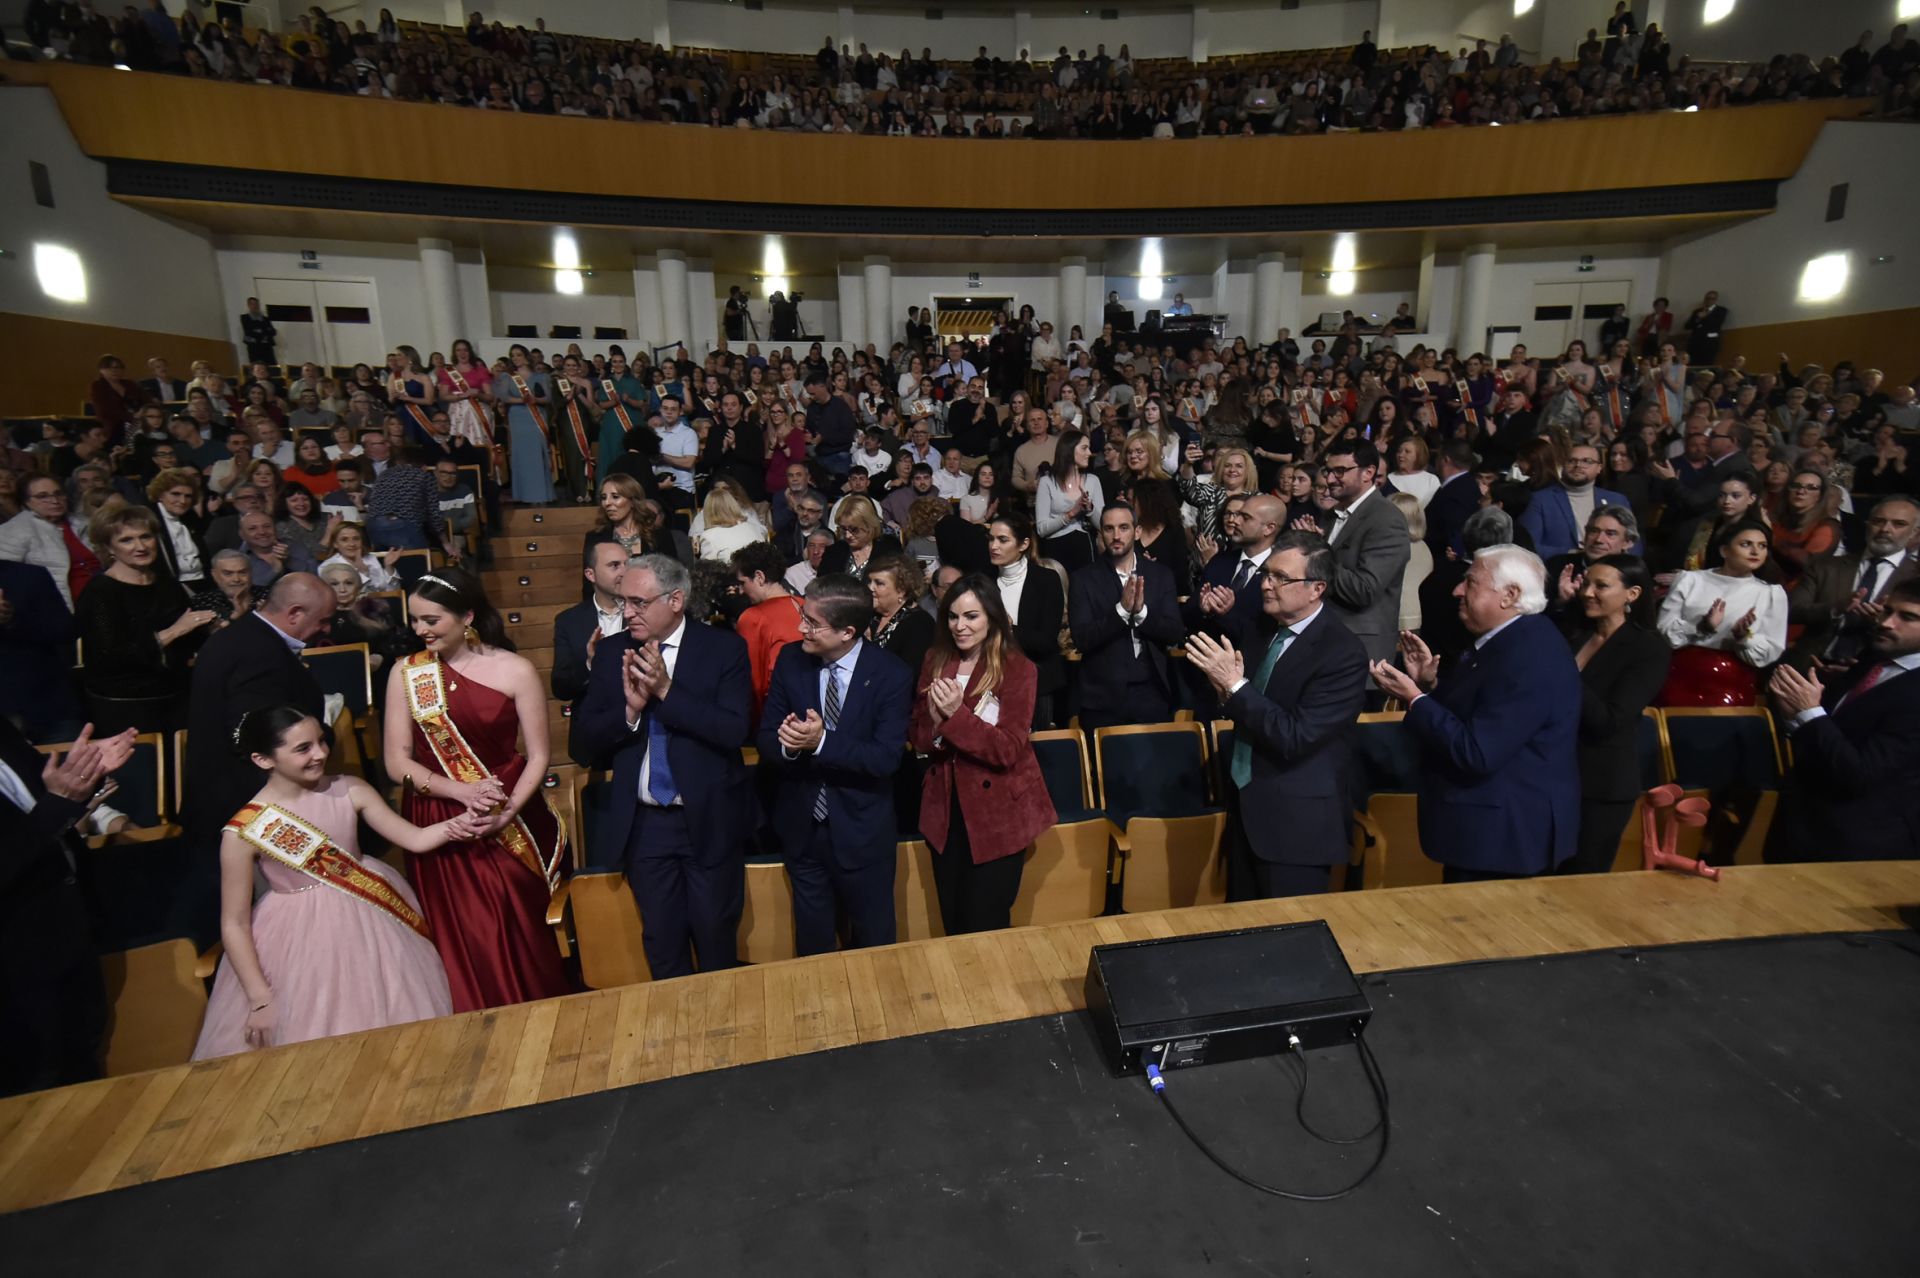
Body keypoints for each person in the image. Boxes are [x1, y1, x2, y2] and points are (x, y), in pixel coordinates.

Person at [192, 707, 470, 1059]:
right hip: (295, 944)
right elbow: (233, 923)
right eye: (303, 748)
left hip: (375, 926)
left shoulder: (350, 789)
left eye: (321, 741)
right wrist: (260, 999)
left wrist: (467, 819)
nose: (320, 753)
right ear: (263, 760)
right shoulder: (243, 831)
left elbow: (414, 839)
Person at [383, 568, 571, 1012]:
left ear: (467, 616)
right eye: (415, 621)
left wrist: (505, 814)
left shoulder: (515, 669)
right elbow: (396, 762)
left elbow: (539, 757)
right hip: (439, 819)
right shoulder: (406, 674)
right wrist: (459, 793)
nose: (421, 630)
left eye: (432, 620)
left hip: (511, 815)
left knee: (515, 921)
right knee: (463, 931)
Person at [570, 553, 755, 979]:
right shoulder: (614, 652)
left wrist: (667, 692)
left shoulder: (723, 648)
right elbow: (582, 743)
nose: (627, 612)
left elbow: (732, 731)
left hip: (708, 820)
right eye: (623, 603)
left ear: (675, 600)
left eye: (638, 602)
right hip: (646, 826)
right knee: (663, 943)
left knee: (715, 941)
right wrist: (630, 714)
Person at [1369, 545, 1581, 881]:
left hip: (1503, 842)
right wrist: (1428, 686)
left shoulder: (1529, 655)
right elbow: (1477, 715)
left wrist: (1414, 699)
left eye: (1470, 582)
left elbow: (1478, 752)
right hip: (1487, 834)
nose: (1456, 590)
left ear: (1509, 595)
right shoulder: (1507, 641)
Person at [1186, 532, 1367, 897]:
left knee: (1289, 943)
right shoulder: (1263, 628)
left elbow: (1294, 736)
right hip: (1247, 810)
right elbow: (1248, 701)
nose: (1266, 585)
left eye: (1281, 578)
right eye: (1267, 574)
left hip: (1297, 827)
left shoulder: (1342, 653)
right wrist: (1226, 691)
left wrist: (1235, 687)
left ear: (1317, 588)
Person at [757, 574, 913, 956]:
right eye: (803, 617)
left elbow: (885, 757)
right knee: (813, 950)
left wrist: (822, 742)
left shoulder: (891, 674)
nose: (800, 628)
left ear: (847, 631)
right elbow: (765, 735)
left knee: (874, 948)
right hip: (803, 830)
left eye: (812, 623)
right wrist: (791, 747)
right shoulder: (792, 661)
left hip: (862, 835)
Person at [182, 573, 337, 939]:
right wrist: (321, 735)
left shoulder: (238, 638)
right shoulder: (260, 653)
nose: (326, 628)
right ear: (296, 613)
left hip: (232, 803)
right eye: (323, 620)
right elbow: (260, 737)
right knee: (280, 929)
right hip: (252, 814)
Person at [908, 573, 1056, 934]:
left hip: (998, 817)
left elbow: (1006, 749)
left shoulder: (1018, 669)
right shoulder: (935, 659)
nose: (960, 626)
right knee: (953, 922)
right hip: (946, 813)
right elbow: (917, 734)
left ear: (991, 616)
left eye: (971, 616)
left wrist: (954, 718)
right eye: (953, 616)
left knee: (985, 925)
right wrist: (935, 726)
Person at [0, 719, 135, 1095]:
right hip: (14, 970)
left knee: (82, 1072)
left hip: (68, 931)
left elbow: (46, 806)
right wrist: (60, 803)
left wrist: (85, 776)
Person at [1766, 579, 1920, 863]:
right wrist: (1795, 717)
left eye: (1907, 617)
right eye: (1887, 611)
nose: (1887, 622)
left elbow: (1859, 774)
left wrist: (1809, 713)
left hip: (1856, 848)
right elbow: (1831, 731)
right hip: (1800, 828)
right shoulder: (1872, 657)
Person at [1558, 554, 1671, 874]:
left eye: (1601, 586)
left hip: (1600, 785)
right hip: (1554, 778)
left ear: (1632, 594)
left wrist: (1566, 675)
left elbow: (1611, 720)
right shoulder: (1573, 633)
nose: (1587, 592)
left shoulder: (1648, 648)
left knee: (1580, 883)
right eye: (1587, 583)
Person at [75, 502, 215, 735]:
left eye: (145, 537)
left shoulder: (167, 584)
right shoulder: (100, 592)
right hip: (125, 706)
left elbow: (189, 639)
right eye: (126, 540)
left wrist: (210, 629)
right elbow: (110, 656)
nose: (140, 546)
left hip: (175, 695)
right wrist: (174, 632)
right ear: (109, 547)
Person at [1069, 502, 1185, 729]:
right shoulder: (1083, 579)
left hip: (1153, 693)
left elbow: (1174, 632)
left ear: (1137, 532)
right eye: (1109, 529)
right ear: (1101, 533)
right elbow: (1082, 639)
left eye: (1123, 527)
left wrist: (1141, 613)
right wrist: (1121, 611)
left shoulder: (1161, 575)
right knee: (1103, 765)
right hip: (1102, 699)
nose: (1116, 535)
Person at [1654, 519, 1788, 706]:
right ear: (1724, 550)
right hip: (1680, 673)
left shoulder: (1770, 594)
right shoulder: (1690, 580)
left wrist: (1743, 637)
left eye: (1762, 546)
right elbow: (1664, 631)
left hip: (1733, 681)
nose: (1755, 551)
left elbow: (1770, 649)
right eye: (1746, 544)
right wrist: (1701, 627)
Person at [1312, 441, 1412, 679]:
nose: (1330, 479)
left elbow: (1364, 589)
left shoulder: (1386, 519)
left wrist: (1317, 555)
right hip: (1323, 647)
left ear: (1368, 473)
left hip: (1360, 655)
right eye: (1328, 471)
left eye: (1340, 471)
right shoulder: (1329, 515)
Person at [1787, 495, 1920, 668]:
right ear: (1867, 525)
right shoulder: (1827, 566)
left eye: (1898, 524)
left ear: (1915, 533)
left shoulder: (1916, 578)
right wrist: (1836, 608)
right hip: (1806, 666)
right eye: (1878, 521)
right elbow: (1791, 610)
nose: (1885, 529)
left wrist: (1882, 619)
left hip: (1869, 674)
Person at [986, 512, 1066, 728]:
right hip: (990, 682)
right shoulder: (983, 581)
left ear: (1023, 544)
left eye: (1003, 540)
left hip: (1036, 683)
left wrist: (1008, 629)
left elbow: (1046, 641)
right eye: (991, 539)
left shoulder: (1046, 580)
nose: (994, 546)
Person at [0, 561, 85, 742]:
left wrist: (12, 620)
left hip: (49, 708)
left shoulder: (29, 575)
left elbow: (65, 631)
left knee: (80, 769)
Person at [1518, 440, 1631, 559]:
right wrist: (1573, 554)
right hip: (1561, 567)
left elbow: (1632, 543)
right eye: (1572, 461)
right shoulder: (1540, 499)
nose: (1578, 465)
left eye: (1587, 461)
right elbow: (1528, 546)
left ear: (1599, 468)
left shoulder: (1617, 500)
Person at [0, 474, 99, 610]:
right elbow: (5, 574)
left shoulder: (84, 523)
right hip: (55, 607)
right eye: (43, 496)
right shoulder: (14, 530)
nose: (54, 500)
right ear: (27, 502)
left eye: (59, 494)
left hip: (102, 598)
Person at [731, 542, 806, 716]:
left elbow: (753, 682)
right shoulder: (804, 605)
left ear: (759, 577)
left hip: (774, 716)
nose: (741, 591)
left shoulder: (753, 617)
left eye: (743, 583)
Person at [551, 538, 628, 703]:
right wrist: (590, 664)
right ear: (590, 574)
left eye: (626, 564)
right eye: (614, 565)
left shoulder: (644, 612)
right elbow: (560, 687)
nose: (624, 572)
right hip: (591, 721)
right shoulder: (569, 621)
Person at [1034, 429, 1104, 572]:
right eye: (1084, 448)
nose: (1089, 453)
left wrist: (1089, 509)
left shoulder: (1092, 481)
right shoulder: (1047, 482)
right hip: (1055, 549)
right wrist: (1071, 513)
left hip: (1084, 546)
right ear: (1069, 450)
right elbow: (1041, 529)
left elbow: (1102, 525)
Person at [498, 346, 555, 505]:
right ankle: (525, 494)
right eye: (513, 355)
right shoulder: (507, 376)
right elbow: (504, 397)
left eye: (519, 355)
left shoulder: (541, 376)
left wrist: (535, 400)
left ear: (526, 356)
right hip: (518, 416)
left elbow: (548, 398)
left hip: (536, 415)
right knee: (522, 455)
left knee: (537, 452)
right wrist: (521, 400)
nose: (515, 358)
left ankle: (541, 494)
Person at [865, 553, 936, 678]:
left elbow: (908, 674)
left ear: (901, 590)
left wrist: (869, 647)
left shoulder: (920, 623)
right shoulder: (869, 615)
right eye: (869, 581)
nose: (870, 588)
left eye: (879, 583)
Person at [240, 297, 277, 366]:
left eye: (257, 304)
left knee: (271, 366)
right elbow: (248, 332)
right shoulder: (245, 318)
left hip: (267, 347)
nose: (255, 306)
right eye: (253, 304)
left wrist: (260, 331)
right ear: (248, 305)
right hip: (254, 347)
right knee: (257, 366)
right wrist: (264, 332)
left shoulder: (265, 319)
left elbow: (273, 332)